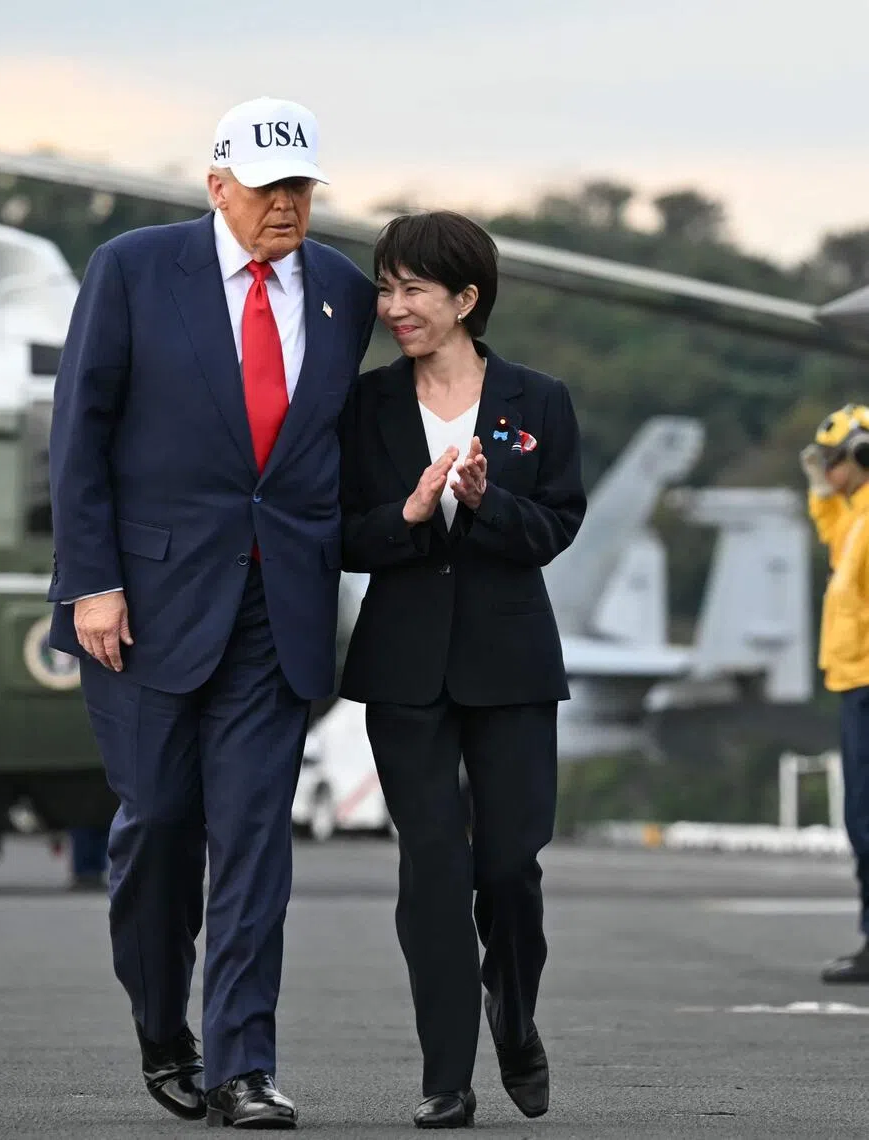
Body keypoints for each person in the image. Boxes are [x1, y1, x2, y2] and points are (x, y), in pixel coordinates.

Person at [46, 95, 377, 1128]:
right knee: (157, 829)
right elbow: (79, 435)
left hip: (278, 609)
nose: (286, 206)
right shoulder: (135, 270)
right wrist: (89, 580)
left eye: (301, 188)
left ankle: (243, 1066)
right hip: (141, 606)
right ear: (218, 185)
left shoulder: (340, 292)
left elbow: (328, 449)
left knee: (252, 839)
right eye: (268, 187)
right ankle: (161, 1028)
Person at [337, 211, 586, 1128]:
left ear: (466, 299)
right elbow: (334, 535)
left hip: (512, 663)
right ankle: (448, 1074)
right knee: (433, 867)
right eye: (386, 287)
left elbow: (557, 526)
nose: (393, 307)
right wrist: (405, 516)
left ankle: (513, 1017)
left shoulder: (539, 399)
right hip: (403, 668)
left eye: (413, 290)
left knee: (512, 866)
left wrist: (486, 504)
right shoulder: (361, 405)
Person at [800, 404, 869, 985]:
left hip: (867, 683)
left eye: (833, 460)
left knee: (867, 822)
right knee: (861, 820)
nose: (825, 469)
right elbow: (832, 533)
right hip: (854, 682)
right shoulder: (856, 518)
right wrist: (823, 490)